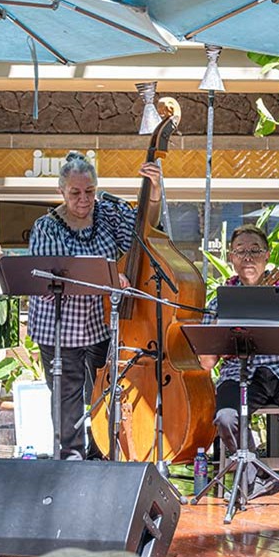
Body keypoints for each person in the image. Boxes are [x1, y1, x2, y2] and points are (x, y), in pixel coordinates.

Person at [22, 151, 161, 460]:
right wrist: (107, 277)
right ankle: (71, 460)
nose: (84, 199)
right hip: (59, 327)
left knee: (105, 392)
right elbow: (52, 280)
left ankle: (101, 456)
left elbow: (144, 232)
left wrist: (154, 193)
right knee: (67, 397)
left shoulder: (107, 214)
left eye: (89, 191)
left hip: (101, 323)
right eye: (75, 193)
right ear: (61, 191)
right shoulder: (46, 227)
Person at [198, 225, 279, 504]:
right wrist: (226, 320)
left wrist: (271, 311)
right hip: (240, 374)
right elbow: (206, 362)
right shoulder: (219, 301)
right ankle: (253, 478)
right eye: (240, 251)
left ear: (267, 255)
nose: (248, 257)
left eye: (255, 251)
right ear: (231, 257)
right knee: (226, 417)